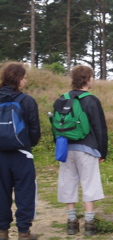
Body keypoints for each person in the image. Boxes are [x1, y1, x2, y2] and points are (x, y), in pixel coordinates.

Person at [56, 65, 108, 236]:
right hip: (87, 148)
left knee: (68, 182)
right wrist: (102, 151)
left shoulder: (62, 98)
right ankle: (89, 223)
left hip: (66, 148)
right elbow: (100, 128)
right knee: (89, 182)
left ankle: (71, 222)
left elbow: (57, 126)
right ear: (88, 79)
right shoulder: (92, 100)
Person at [0, 62, 41, 240]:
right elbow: (35, 130)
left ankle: (2, 231)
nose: (25, 81)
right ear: (18, 79)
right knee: (25, 192)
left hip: (0, 155)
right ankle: (24, 231)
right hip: (22, 153)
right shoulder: (27, 101)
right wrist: (27, 144)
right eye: (24, 77)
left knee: (1, 192)